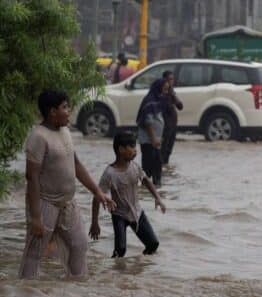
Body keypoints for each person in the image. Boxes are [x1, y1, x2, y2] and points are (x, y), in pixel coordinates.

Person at [18, 90, 115, 279]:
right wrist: (36, 217)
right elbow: (32, 178)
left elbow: (76, 165)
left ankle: (75, 292)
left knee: (79, 244)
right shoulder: (38, 137)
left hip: (68, 202)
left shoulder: (65, 131)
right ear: (52, 111)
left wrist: (97, 192)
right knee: (34, 253)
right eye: (64, 107)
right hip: (45, 203)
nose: (69, 111)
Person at [90, 131, 166, 257]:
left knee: (153, 244)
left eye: (135, 146)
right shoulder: (109, 173)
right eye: (131, 147)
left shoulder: (135, 166)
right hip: (119, 214)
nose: (135, 150)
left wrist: (157, 198)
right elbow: (97, 197)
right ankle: (115, 273)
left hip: (137, 212)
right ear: (121, 149)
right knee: (120, 250)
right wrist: (94, 223)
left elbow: (146, 180)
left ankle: (140, 267)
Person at [136, 79, 168, 186]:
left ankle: (155, 189)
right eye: (165, 89)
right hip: (148, 140)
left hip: (155, 140)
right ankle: (147, 188)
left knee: (157, 164)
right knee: (149, 167)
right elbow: (148, 122)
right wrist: (154, 138)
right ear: (158, 88)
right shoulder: (149, 101)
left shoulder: (158, 100)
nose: (166, 92)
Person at [160, 70, 184, 165]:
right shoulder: (161, 92)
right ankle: (161, 169)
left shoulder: (171, 91)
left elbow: (180, 106)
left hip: (173, 124)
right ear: (164, 80)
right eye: (169, 79)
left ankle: (165, 168)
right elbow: (166, 107)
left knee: (169, 149)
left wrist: (174, 96)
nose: (171, 81)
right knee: (164, 148)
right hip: (165, 124)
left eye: (172, 79)